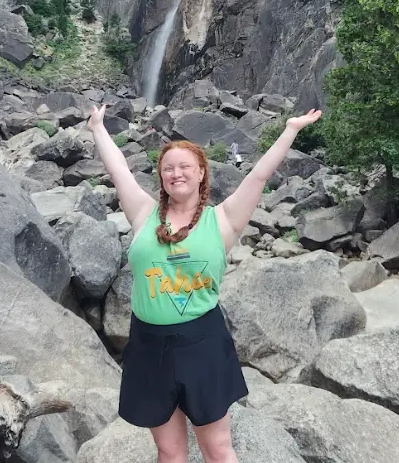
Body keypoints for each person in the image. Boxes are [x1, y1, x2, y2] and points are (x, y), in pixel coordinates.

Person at [87, 104, 322, 463]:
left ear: (201, 174)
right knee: (169, 451)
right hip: (148, 346)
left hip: (202, 343)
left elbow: (258, 176)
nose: (175, 173)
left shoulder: (223, 220)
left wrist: (290, 129)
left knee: (217, 450)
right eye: (168, 168)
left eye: (185, 167)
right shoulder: (143, 213)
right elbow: (119, 170)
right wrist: (98, 127)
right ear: (161, 178)